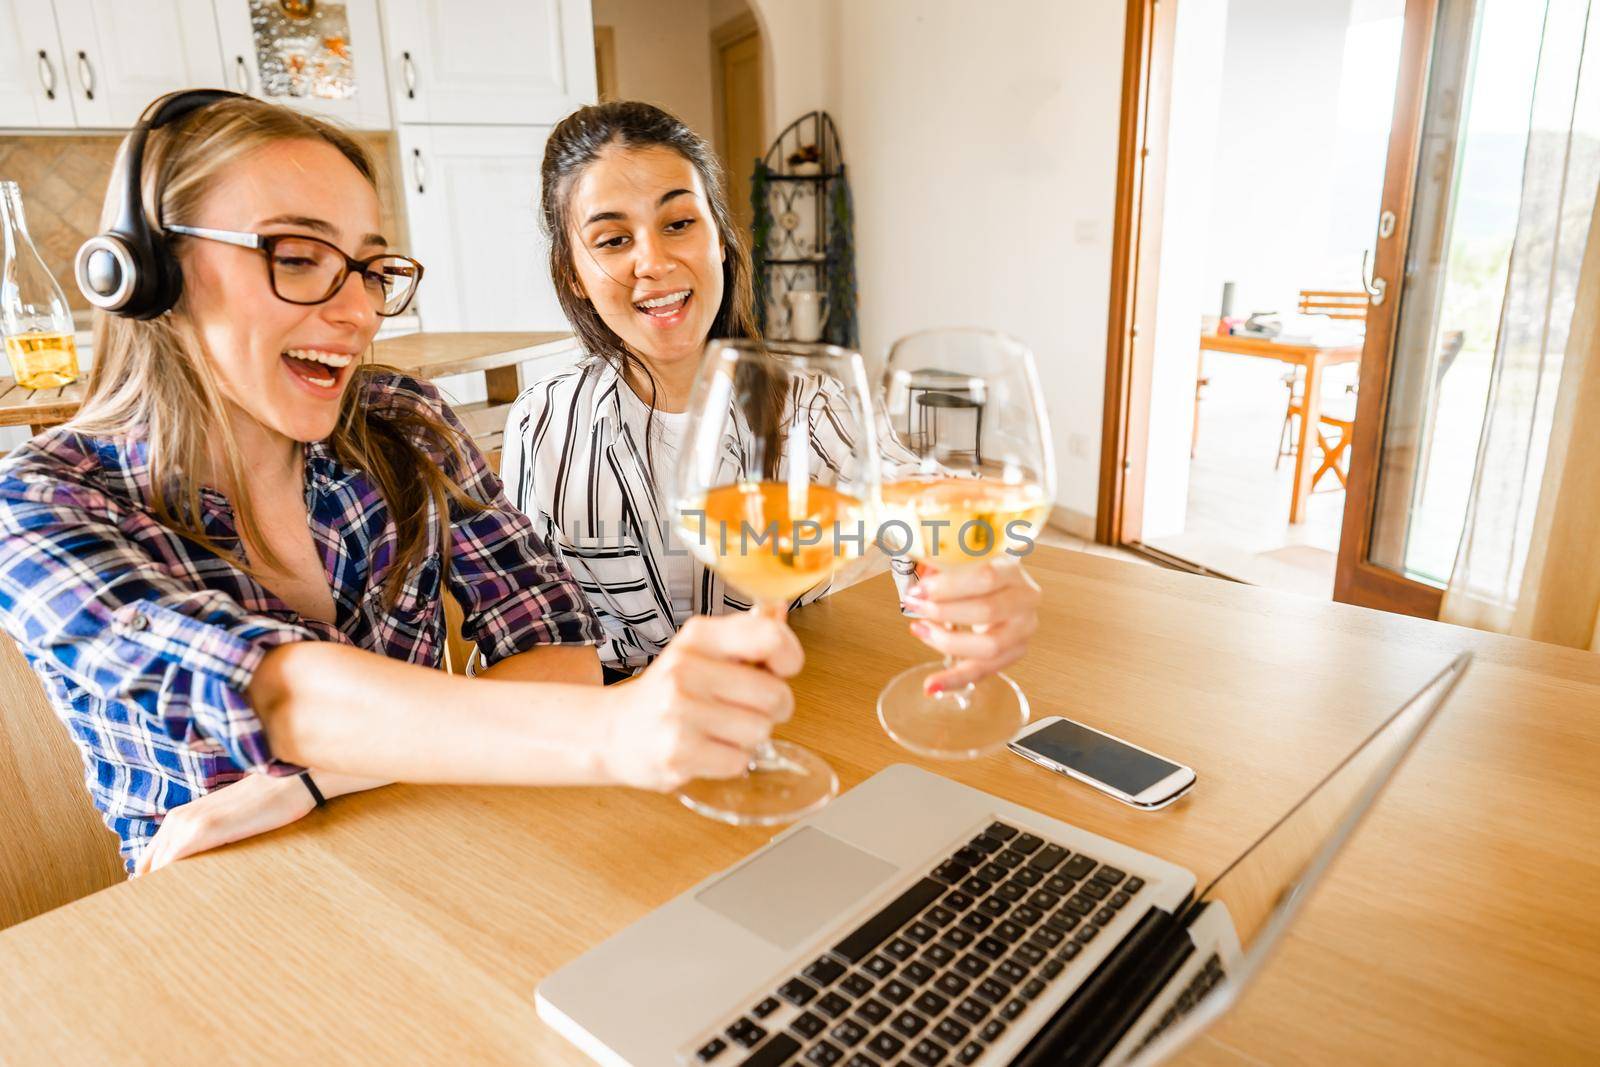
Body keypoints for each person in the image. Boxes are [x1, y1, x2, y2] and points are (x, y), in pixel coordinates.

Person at [0, 92, 801, 876]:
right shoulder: (41, 504)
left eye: (370, 268)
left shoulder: (400, 419)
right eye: (299, 257)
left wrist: (313, 781)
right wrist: (615, 730)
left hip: (441, 845)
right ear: (148, 272)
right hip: (229, 912)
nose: (359, 311)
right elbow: (273, 693)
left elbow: (559, 653)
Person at [502, 101, 1042, 683]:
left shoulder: (807, 405)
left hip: (779, 712)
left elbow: (923, 502)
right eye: (612, 240)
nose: (652, 262)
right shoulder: (541, 420)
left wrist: (979, 572)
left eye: (679, 224)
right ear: (572, 277)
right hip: (615, 733)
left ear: (722, 242)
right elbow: (530, 626)